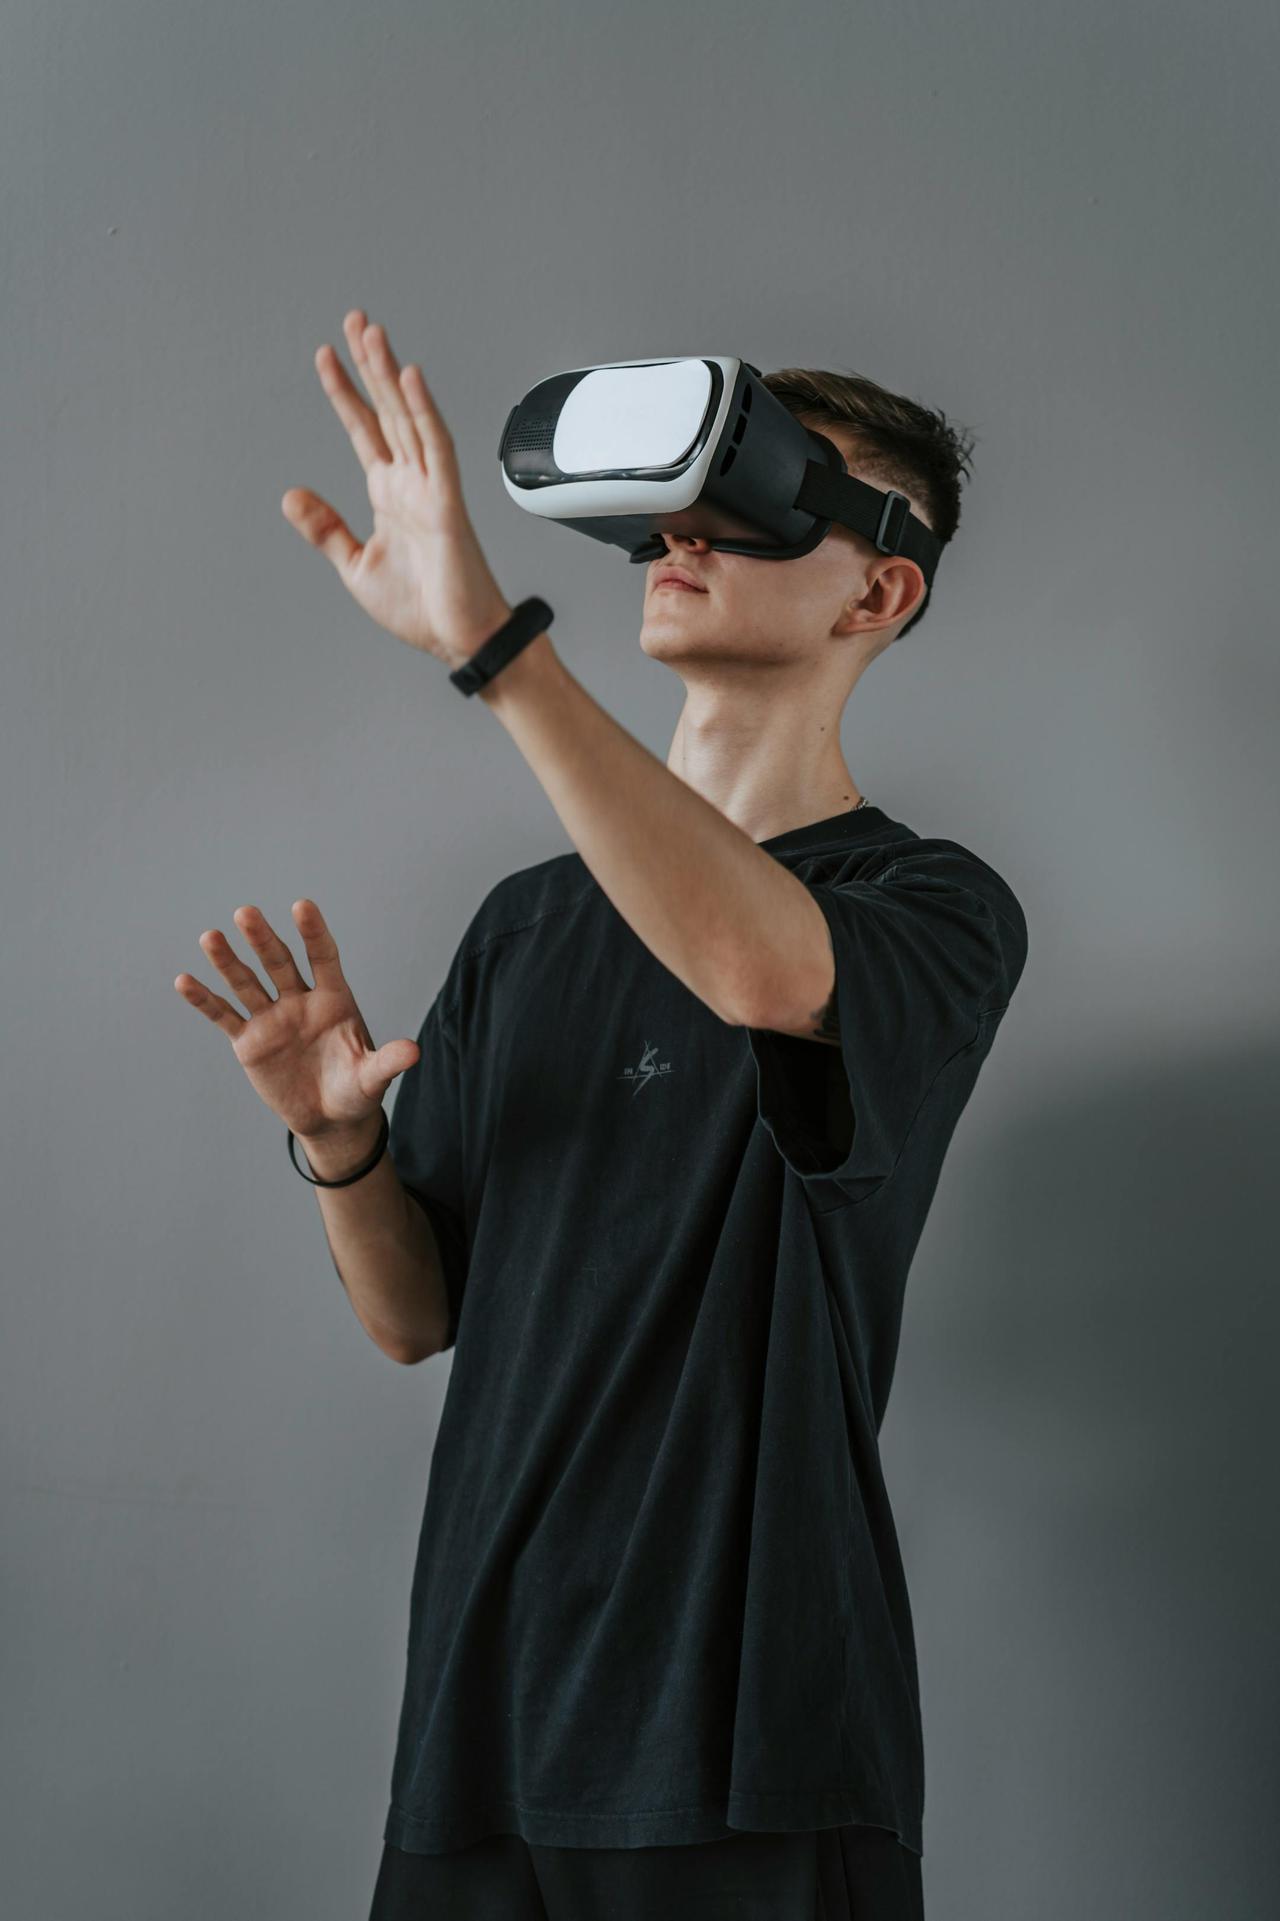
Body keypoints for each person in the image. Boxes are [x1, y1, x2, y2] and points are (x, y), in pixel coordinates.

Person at [174, 310, 1028, 1919]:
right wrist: (338, 1144)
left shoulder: (933, 911)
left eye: (758, 500)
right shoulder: (528, 924)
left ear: (879, 587)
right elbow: (416, 1315)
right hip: (480, 1720)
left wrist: (496, 646)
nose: (680, 537)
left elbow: (761, 968)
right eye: (667, 512)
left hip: (739, 1735)